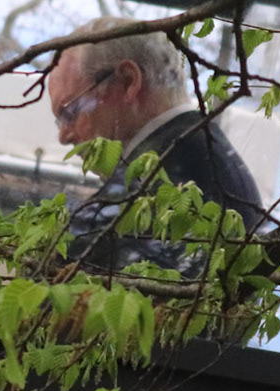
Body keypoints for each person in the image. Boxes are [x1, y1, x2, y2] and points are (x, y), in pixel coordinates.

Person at [46, 16, 265, 274]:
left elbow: (50, 298)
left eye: (70, 112)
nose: (63, 136)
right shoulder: (207, 151)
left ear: (128, 81)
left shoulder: (157, 177)